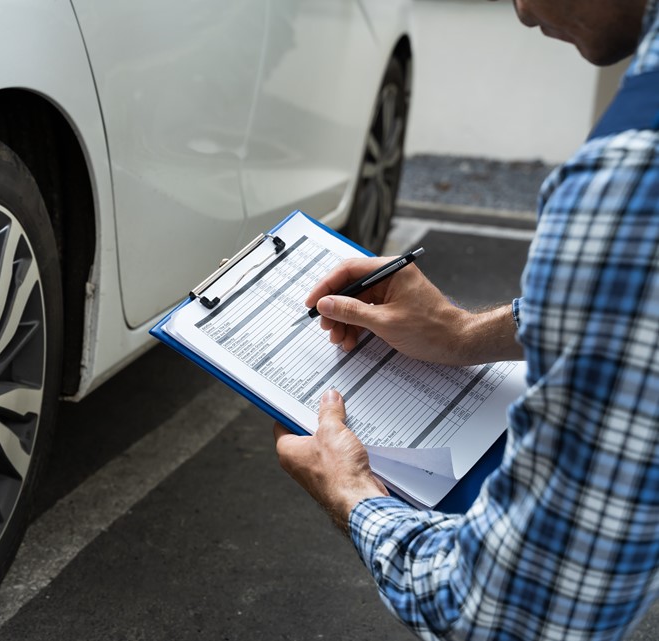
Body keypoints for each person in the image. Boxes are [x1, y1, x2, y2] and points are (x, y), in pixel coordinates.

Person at [273, 0, 659, 639]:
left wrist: (352, 493)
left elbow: (520, 615)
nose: (520, 9)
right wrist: (461, 333)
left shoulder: (630, 181)